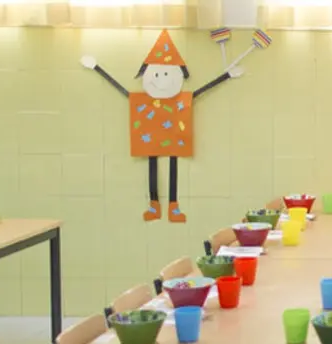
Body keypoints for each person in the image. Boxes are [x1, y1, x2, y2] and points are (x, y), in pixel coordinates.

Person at [81, 30, 241, 222]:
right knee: (152, 162)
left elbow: (201, 90)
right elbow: (121, 89)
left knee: (172, 163)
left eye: (167, 73)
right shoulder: (141, 100)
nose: (162, 80)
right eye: (158, 74)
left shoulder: (180, 100)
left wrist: (227, 76)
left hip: (173, 133)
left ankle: (173, 205)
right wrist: (96, 67)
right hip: (151, 134)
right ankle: (154, 204)